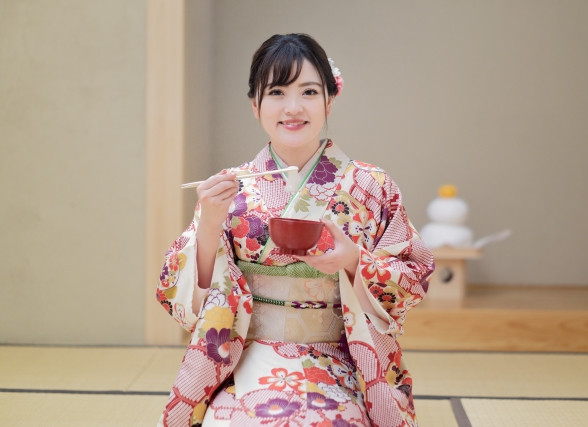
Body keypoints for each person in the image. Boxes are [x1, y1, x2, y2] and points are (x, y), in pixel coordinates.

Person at [156, 33, 434, 427]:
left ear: (329, 101)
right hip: (245, 356)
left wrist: (354, 262)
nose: (293, 107)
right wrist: (210, 226)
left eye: (308, 92)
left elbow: (414, 275)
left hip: (343, 359)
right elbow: (183, 299)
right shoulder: (229, 189)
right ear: (255, 104)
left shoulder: (372, 186)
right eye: (276, 92)